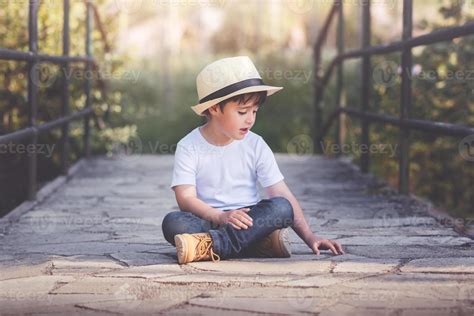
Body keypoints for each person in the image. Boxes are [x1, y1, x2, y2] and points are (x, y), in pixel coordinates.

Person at [162, 56, 344, 264]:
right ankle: (259, 243)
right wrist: (221, 216)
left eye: (254, 111)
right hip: (210, 219)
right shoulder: (189, 145)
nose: (250, 119)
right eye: (242, 112)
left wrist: (310, 236)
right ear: (214, 108)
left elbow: (281, 192)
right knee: (173, 222)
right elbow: (186, 199)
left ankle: (212, 246)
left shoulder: (256, 144)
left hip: (250, 219)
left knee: (282, 207)